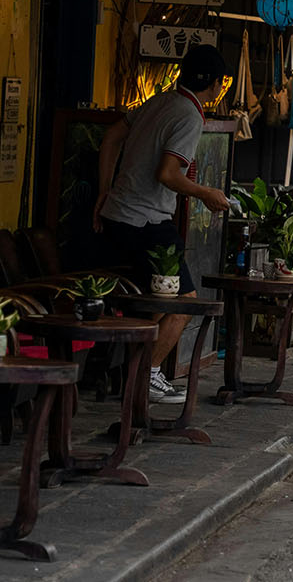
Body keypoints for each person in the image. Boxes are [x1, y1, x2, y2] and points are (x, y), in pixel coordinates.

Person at [95, 44, 233, 405]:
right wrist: (206, 193)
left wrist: (105, 190)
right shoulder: (189, 114)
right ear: (217, 85)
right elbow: (168, 174)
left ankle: (126, 369)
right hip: (146, 223)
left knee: (157, 298)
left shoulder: (157, 101)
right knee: (184, 302)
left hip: (117, 217)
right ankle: (147, 376)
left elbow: (110, 138)